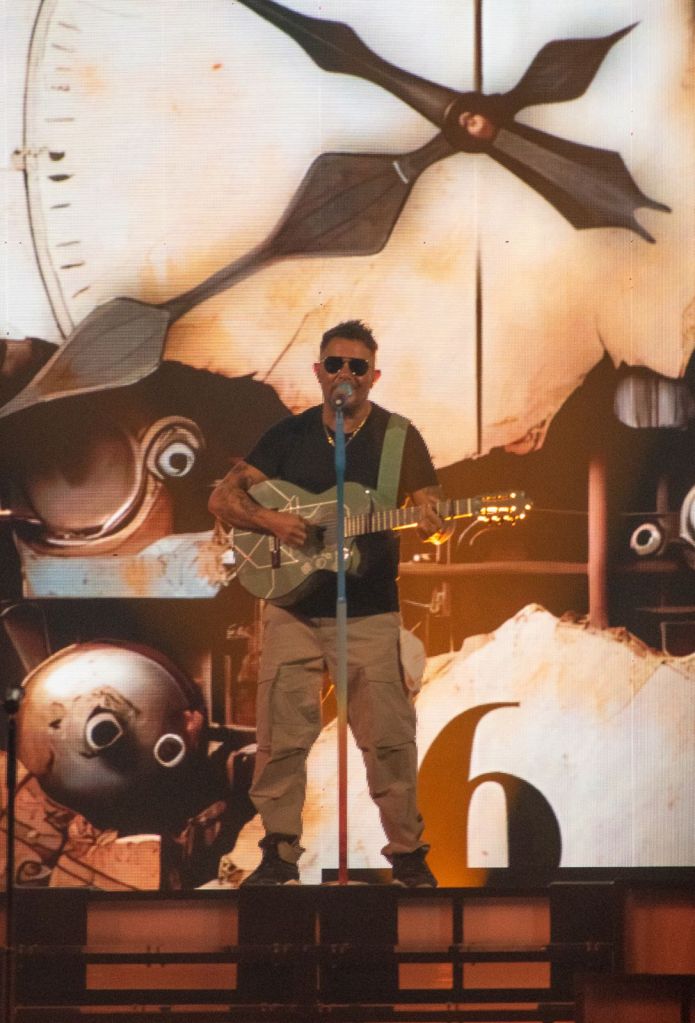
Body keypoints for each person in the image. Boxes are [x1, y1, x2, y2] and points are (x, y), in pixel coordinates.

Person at [208, 320, 450, 886]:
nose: (346, 374)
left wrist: (436, 523)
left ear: (373, 376)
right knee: (281, 740)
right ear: (319, 372)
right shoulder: (286, 437)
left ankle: (407, 855)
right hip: (292, 611)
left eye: (357, 366)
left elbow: (432, 514)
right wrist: (272, 521)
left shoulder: (398, 438)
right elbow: (223, 498)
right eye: (336, 364)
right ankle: (278, 856)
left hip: (370, 612)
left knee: (388, 740)